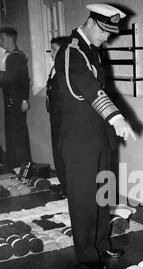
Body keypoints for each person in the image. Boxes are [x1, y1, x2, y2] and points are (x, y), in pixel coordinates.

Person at [54, 4, 136, 269]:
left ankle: (101, 242)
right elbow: (88, 88)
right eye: (103, 31)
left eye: (110, 33)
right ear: (90, 22)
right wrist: (115, 117)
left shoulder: (90, 49)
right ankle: (87, 252)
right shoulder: (72, 50)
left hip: (97, 137)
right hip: (79, 140)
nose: (106, 38)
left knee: (102, 192)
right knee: (83, 197)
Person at [0, 27, 31, 171]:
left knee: (17, 135)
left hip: (16, 101)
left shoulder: (15, 57)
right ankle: (16, 166)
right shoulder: (10, 55)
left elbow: (22, 80)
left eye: (2, 39)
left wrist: (24, 100)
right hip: (11, 101)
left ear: (9, 38)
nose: (0, 42)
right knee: (13, 135)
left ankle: (21, 167)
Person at [46, 36, 68, 198]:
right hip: (55, 120)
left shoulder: (66, 72)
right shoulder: (54, 70)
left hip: (65, 122)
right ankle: (64, 185)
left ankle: (70, 189)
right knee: (57, 154)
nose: (51, 53)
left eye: (54, 50)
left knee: (65, 155)